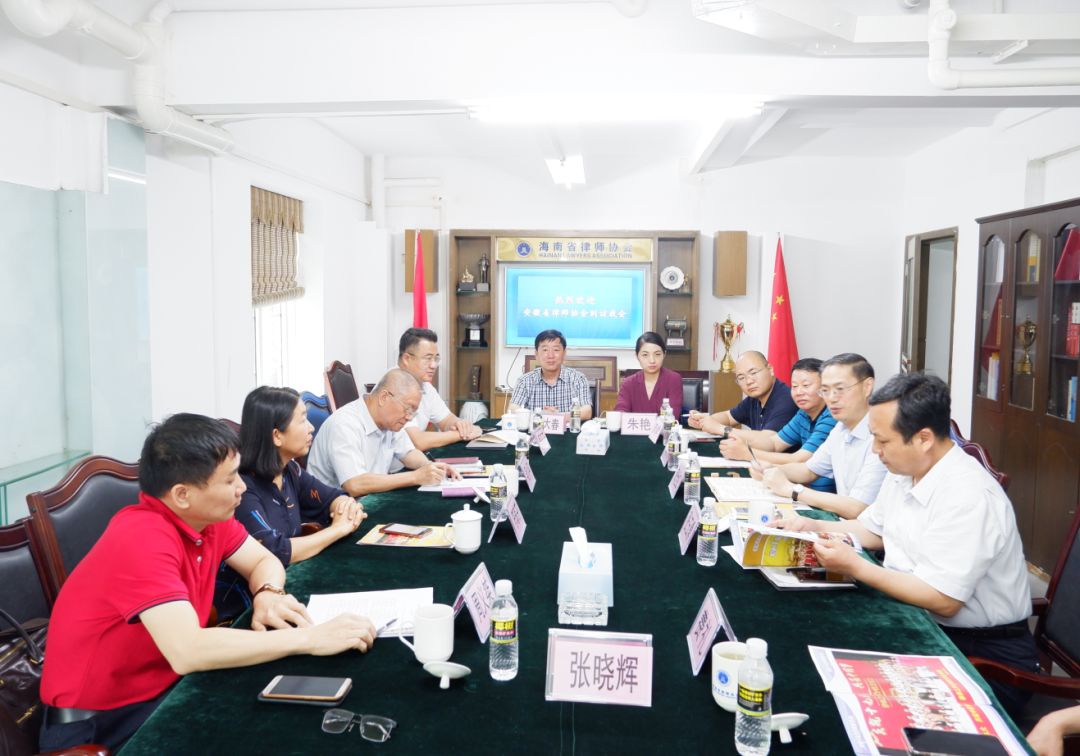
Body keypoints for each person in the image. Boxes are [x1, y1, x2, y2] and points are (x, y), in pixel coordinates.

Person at [39, 414, 377, 752]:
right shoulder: (141, 538)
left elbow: (264, 561)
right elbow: (188, 650)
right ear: (182, 494)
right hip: (103, 723)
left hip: (170, 687)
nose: (242, 487)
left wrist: (268, 593)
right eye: (230, 480)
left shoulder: (208, 518)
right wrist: (309, 638)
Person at [773, 373, 1038, 716]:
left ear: (924, 438)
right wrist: (813, 525)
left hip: (981, 656)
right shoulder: (906, 470)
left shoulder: (968, 494)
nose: (875, 450)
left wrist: (855, 566)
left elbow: (942, 598)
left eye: (883, 440)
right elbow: (874, 530)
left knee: (839, 703)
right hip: (913, 617)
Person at [214, 386, 367, 622]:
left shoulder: (289, 469)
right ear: (276, 435)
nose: (312, 427)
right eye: (303, 420)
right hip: (246, 607)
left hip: (287, 584)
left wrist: (346, 506)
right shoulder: (243, 488)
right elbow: (275, 551)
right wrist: (338, 530)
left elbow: (331, 496)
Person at [756, 353, 886, 518]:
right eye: (825, 390)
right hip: (847, 524)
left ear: (867, 386)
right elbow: (809, 470)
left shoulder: (883, 435)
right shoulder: (840, 428)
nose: (831, 398)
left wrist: (792, 490)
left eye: (840, 389)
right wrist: (771, 469)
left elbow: (858, 508)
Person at [307, 368, 460, 496]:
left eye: (413, 412)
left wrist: (431, 467)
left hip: (367, 500)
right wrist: (415, 477)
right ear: (384, 397)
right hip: (332, 512)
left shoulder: (389, 421)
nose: (409, 417)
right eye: (407, 409)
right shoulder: (344, 424)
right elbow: (355, 484)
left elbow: (408, 453)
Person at [718, 357, 837, 493]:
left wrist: (748, 453)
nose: (799, 392)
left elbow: (799, 460)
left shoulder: (831, 416)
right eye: (794, 386)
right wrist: (742, 443)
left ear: (824, 388)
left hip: (821, 497)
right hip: (803, 490)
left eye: (806, 386)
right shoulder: (803, 414)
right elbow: (774, 443)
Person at [396, 327, 482, 451]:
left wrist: (461, 425)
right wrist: (460, 435)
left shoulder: (425, 385)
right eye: (428, 358)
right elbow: (418, 442)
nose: (433, 365)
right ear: (406, 359)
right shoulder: (395, 386)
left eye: (436, 359)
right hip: (396, 463)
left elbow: (446, 420)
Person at [687, 351, 797, 434]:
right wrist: (703, 421)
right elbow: (729, 417)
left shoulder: (787, 400)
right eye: (741, 377)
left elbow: (768, 440)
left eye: (753, 373)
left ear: (770, 369)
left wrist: (722, 429)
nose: (749, 381)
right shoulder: (754, 399)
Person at [509, 329, 593, 418]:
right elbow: (513, 409)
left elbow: (587, 412)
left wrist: (558, 417)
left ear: (564, 353)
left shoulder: (578, 378)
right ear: (536, 354)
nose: (550, 355)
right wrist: (541, 416)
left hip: (568, 426)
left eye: (556, 350)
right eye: (545, 350)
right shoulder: (524, 381)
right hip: (536, 426)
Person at [613, 331, 683, 416]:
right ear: (637, 356)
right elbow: (620, 412)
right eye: (645, 355)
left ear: (664, 354)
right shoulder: (628, 383)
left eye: (657, 354)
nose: (652, 360)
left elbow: (672, 415)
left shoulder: (673, 379)